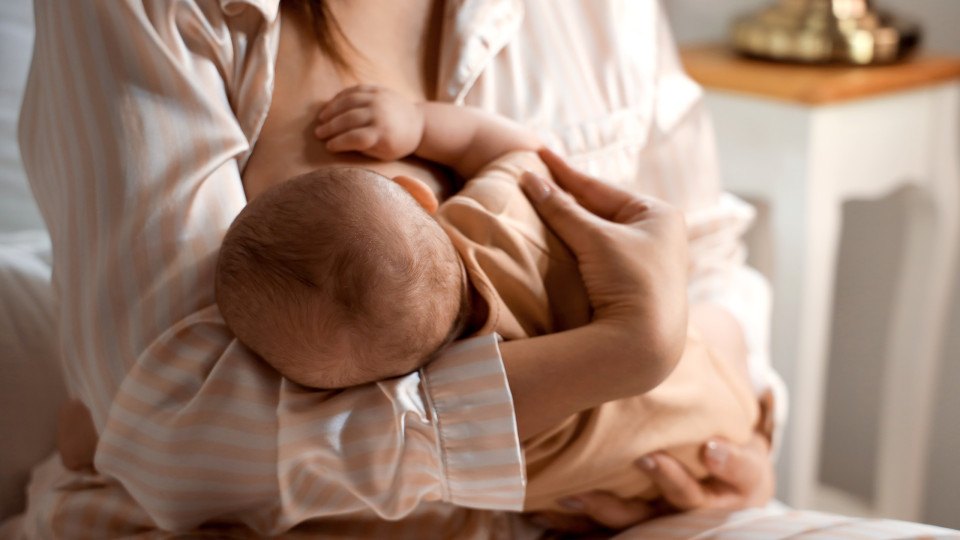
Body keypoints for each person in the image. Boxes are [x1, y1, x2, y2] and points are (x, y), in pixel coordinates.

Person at [10, 1, 786, 538]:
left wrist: (735, 443)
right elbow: (169, 431)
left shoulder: (493, 218)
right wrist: (624, 358)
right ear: (421, 194)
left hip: (614, 496)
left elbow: (706, 254)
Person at [211, 87, 759, 510]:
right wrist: (419, 123)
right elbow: (516, 146)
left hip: (667, 461)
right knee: (725, 331)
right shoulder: (494, 213)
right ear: (418, 194)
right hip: (708, 364)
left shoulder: (474, 393)